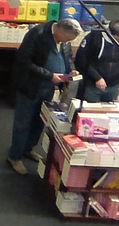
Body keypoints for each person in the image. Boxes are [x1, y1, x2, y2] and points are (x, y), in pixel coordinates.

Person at [6, 18, 81, 173]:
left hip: (49, 88)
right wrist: (49, 75)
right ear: (60, 30)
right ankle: (14, 156)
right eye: (67, 38)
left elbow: (68, 57)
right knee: (23, 122)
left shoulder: (64, 40)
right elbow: (24, 61)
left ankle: (28, 148)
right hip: (30, 86)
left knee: (40, 121)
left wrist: (71, 69)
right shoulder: (37, 34)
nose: (67, 42)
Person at [73, 20, 119, 103]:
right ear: (109, 32)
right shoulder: (94, 38)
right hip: (92, 85)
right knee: (91, 110)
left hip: (113, 86)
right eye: (117, 39)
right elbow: (82, 60)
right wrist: (97, 78)